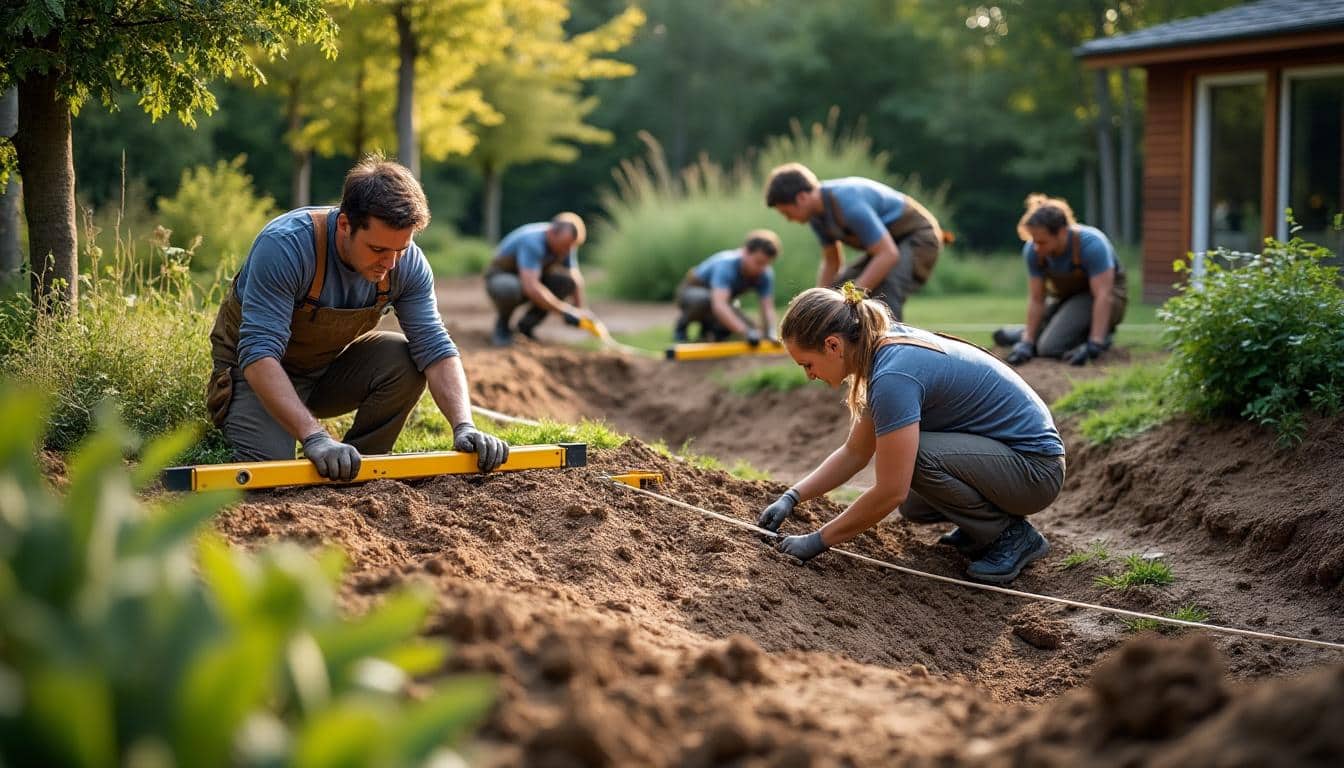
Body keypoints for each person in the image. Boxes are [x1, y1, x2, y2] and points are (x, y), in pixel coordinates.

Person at [206, 155, 509, 481]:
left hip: (323, 373)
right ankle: (315, 446)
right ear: (345, 224)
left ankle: (359, 465)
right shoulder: (285, 247)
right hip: (255, 374)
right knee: (270, 475)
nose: (390, 264)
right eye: (379, 250)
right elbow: (258, 354)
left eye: (401, 250)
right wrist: (316, 437)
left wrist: (464, 425)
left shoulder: (406, 263)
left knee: (404, 359)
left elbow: (435, 346)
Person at [757, 285, 1066, 585]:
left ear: (833, 345)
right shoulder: (878, 348)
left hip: (1035, 470)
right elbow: (855, 452)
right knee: (916, 505)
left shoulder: (893, 376)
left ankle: (1009, 536)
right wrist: (792, 497)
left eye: (807, 364)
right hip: (1012, 460)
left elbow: (891, 491)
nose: (809, 375)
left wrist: (817, 541)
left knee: (910, 465)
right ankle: (982, 526)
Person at [764, 162, 945, 322]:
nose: (789, 219)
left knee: (884, 289)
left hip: (919, 237)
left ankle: (893, 349)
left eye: (787, 213)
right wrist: (818, 304)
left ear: (801, 198)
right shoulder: (816, 217)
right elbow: (831, 262)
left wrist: (851, 298)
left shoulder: (847, 201)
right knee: (839, 288)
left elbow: (888, 254)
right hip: (890, 245)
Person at [993, 194, 1128, 366]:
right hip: (1067, 299)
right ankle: (1026, 334)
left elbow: (1103, 296)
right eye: (1033, 240)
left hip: (1105, 299)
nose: (1036, 247)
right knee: (1047, 324)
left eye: (1042, 242)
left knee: (1049, 347)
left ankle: (1101, 337)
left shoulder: (1093, 245)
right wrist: (1027, 343)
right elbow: (1037, 299)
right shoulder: (1033, 251)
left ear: (1062, 232)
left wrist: (1096, 343)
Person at [485, 213, 593, 347]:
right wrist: (564, 311)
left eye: (571, 247)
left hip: (532, 279)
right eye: (565, 246)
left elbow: (574, 277)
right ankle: (502, 328)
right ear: (551, 233)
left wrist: (580, 310)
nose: (567, 251)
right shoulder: (532, 242)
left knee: (566, 283)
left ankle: (525, 328)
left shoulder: (566, 244)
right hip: (500, 278)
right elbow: (531, 286)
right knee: (510, 288)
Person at [674, 229, 781, 344]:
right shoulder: (726, 265)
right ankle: (681, 327)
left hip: (722, 300)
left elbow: (767, 307)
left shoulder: (765, 273)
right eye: (758, 262)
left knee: (750, 328)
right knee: (706, 299)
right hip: (691, 295)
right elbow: (719, 305)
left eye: (766, 264)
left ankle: (709, 332)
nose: (762, 268)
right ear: (745, 252)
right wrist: (745, 331)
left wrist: (771, 333)